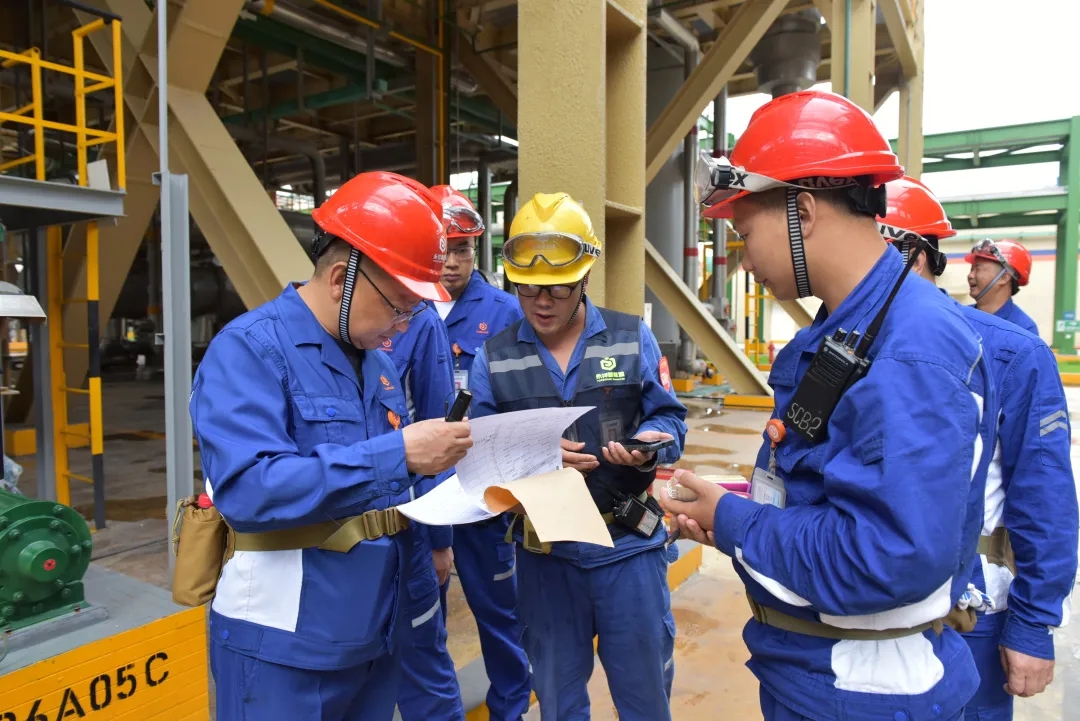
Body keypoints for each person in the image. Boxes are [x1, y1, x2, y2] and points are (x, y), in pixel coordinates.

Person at [662, 90, 998, 721]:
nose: (743, 257)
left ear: (804, 211)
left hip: (865, 693)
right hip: (820, 674)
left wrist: (735, 522)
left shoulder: (912, 349)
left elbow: (886, 553)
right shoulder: (855, 326)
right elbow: (829, 486)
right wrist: (728, 507)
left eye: (745, 232)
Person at [190, 171, 474, 721]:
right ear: (343, 278)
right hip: (284, 645)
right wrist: (399, 454)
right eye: (399, 307)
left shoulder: (377, 363)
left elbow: (387, 493)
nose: (403, 326)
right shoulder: (250, 351)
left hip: (374, 632)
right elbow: (248, 491)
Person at [467, 191, 688, 721]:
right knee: (559, 702)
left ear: (584, 278)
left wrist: (650, 445)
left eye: (558, 288)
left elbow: (671, 420)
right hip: (547, 561)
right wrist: (533, 457)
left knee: (644, 699)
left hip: (627, 549)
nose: (541, 302)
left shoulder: (632, 339)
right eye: (528, 288)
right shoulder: (493, 359)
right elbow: (476, 457)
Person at [880, 175, 1078, 720]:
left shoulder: (1014, 351)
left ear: (911, 253)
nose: (973, 274)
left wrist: (1033, 623)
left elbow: (1044, 498)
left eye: (985, 268)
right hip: (868, 606)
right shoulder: (843, 347)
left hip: (969, 609)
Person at [425, 183, 533, 721]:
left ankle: (509, 708)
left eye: (463, 249)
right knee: (424, 614)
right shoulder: (404, 305)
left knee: (499, 613)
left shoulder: (506, 313)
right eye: (443, 248)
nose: (452, 262)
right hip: (422, 489)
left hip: (482, 490)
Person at [379, 304, 465, 721]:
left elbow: (439, 439)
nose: (396, 327)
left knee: (423, 667)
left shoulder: (421, 321)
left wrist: (439, 540)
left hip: (410, 528)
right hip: (343, 553)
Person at [966, 238, 1039, 336]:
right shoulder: (960, 317)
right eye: (972, 269)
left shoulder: (1023, 329)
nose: (970, 275)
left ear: (1003, 278)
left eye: (978, 268)